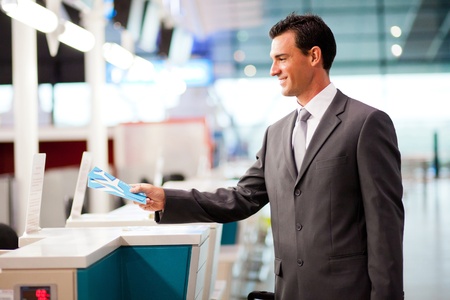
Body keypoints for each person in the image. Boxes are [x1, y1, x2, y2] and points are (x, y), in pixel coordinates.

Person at [131, 12, 404, 300]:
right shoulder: (276, 134)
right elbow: (241, 198)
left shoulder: (366, 124)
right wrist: (167, 199)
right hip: (289, 291)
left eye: (282, 58)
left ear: (314, 56)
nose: (273, 70)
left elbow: (385, 226)